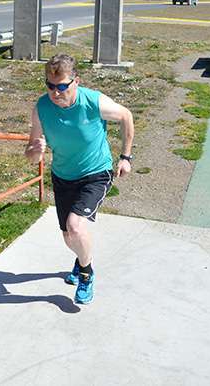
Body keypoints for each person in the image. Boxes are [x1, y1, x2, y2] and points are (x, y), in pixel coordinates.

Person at [25, 53, 134, 304]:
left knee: (76, 225)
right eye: (50, 86)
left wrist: (126, 157)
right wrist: (34, 151)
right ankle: (81, 260)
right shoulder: (41, 108)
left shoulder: (93, 102)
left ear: (76, 81)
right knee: (68, 236)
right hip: (63, 176)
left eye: (62, 86)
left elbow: (126, 116)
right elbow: (31, 154)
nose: (55, 92)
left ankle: (86, 274)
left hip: (96, 173)